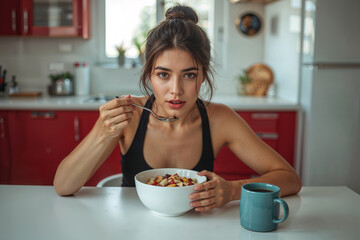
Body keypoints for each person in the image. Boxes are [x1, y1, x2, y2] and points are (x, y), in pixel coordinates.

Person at [54, 4, 301, 212]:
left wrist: (233, 190)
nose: (175, 90)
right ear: (149, 75)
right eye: (163, 74)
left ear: (203, 75)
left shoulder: (219, 119)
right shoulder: (130, 116)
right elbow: (63, 186)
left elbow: (290, 179)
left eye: (189, 75)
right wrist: (102, 132)